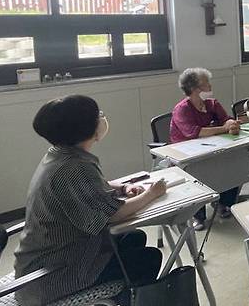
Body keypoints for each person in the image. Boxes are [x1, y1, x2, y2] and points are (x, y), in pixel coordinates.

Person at [14, 95, 165, 305]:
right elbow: (112, 216)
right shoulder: (75, 168)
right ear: (85, 128)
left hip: (46, 259)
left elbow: (90, 185)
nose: (102, 118)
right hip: (52, 276)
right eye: (98, 115)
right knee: (148, 258)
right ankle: (128, 299)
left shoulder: (61, 154)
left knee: (134, 237)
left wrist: (122, 187)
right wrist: (152, 194)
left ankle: (122, 297)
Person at [170, 67, 241, 229]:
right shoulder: (182, 109)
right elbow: (194, 132)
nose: (210, 86)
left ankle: (224, 203)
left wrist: (232, 124)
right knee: (198, 171)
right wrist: (224, 128)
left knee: (233, 161)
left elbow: (226, 119)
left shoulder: (212, 104)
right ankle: (198, 215)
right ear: (195, 89)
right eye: (206, 84)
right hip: (187, 154)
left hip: (213, 148)